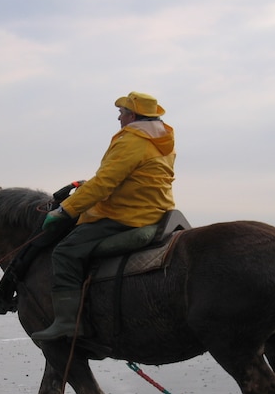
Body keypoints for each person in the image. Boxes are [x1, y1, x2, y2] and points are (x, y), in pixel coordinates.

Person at [31, 91, 176, 341]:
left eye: (121, 113)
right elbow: (138, 177)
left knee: (65, 251)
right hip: (157, 210)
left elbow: (104, 183)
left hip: (127, 214)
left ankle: (67, 323)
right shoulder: (162, 140)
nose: (119, 118)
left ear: (132, 115)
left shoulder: (132, 140)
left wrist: (64, 210)